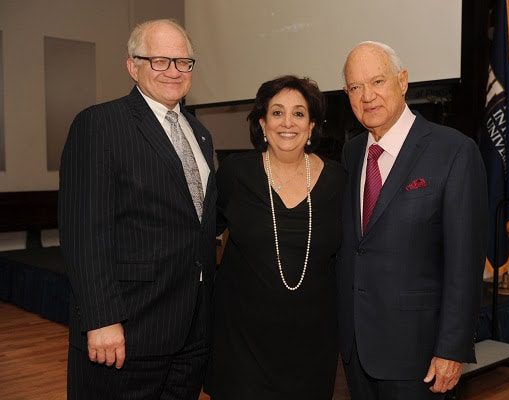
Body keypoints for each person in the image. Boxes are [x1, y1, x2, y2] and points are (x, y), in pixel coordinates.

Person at [58, 19, 215, 399]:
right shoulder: (99, 124)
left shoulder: (200, 133)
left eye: (183, 62)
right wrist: (101, 319)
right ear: (133, 66)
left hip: (191, 333)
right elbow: (84, 232)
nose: (174, 72)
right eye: (160, 61)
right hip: (127, 331)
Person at [336, 41, 487, 399]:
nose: (367, 96)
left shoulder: (454, 151)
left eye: (377, 81)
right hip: (357, 347)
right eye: (355, 87)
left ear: (402, 81)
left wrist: (452, 347)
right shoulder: (353, 151)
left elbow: (464, 262)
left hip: (418, 353)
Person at [208, 75, 343, 399]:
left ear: (312, 126)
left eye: (299, 113)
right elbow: (204, 236)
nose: (288, 123)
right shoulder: (235, 174)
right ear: (262, 122)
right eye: (277, 112)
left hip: (312, 348)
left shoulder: (339, 180)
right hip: (243, 349)